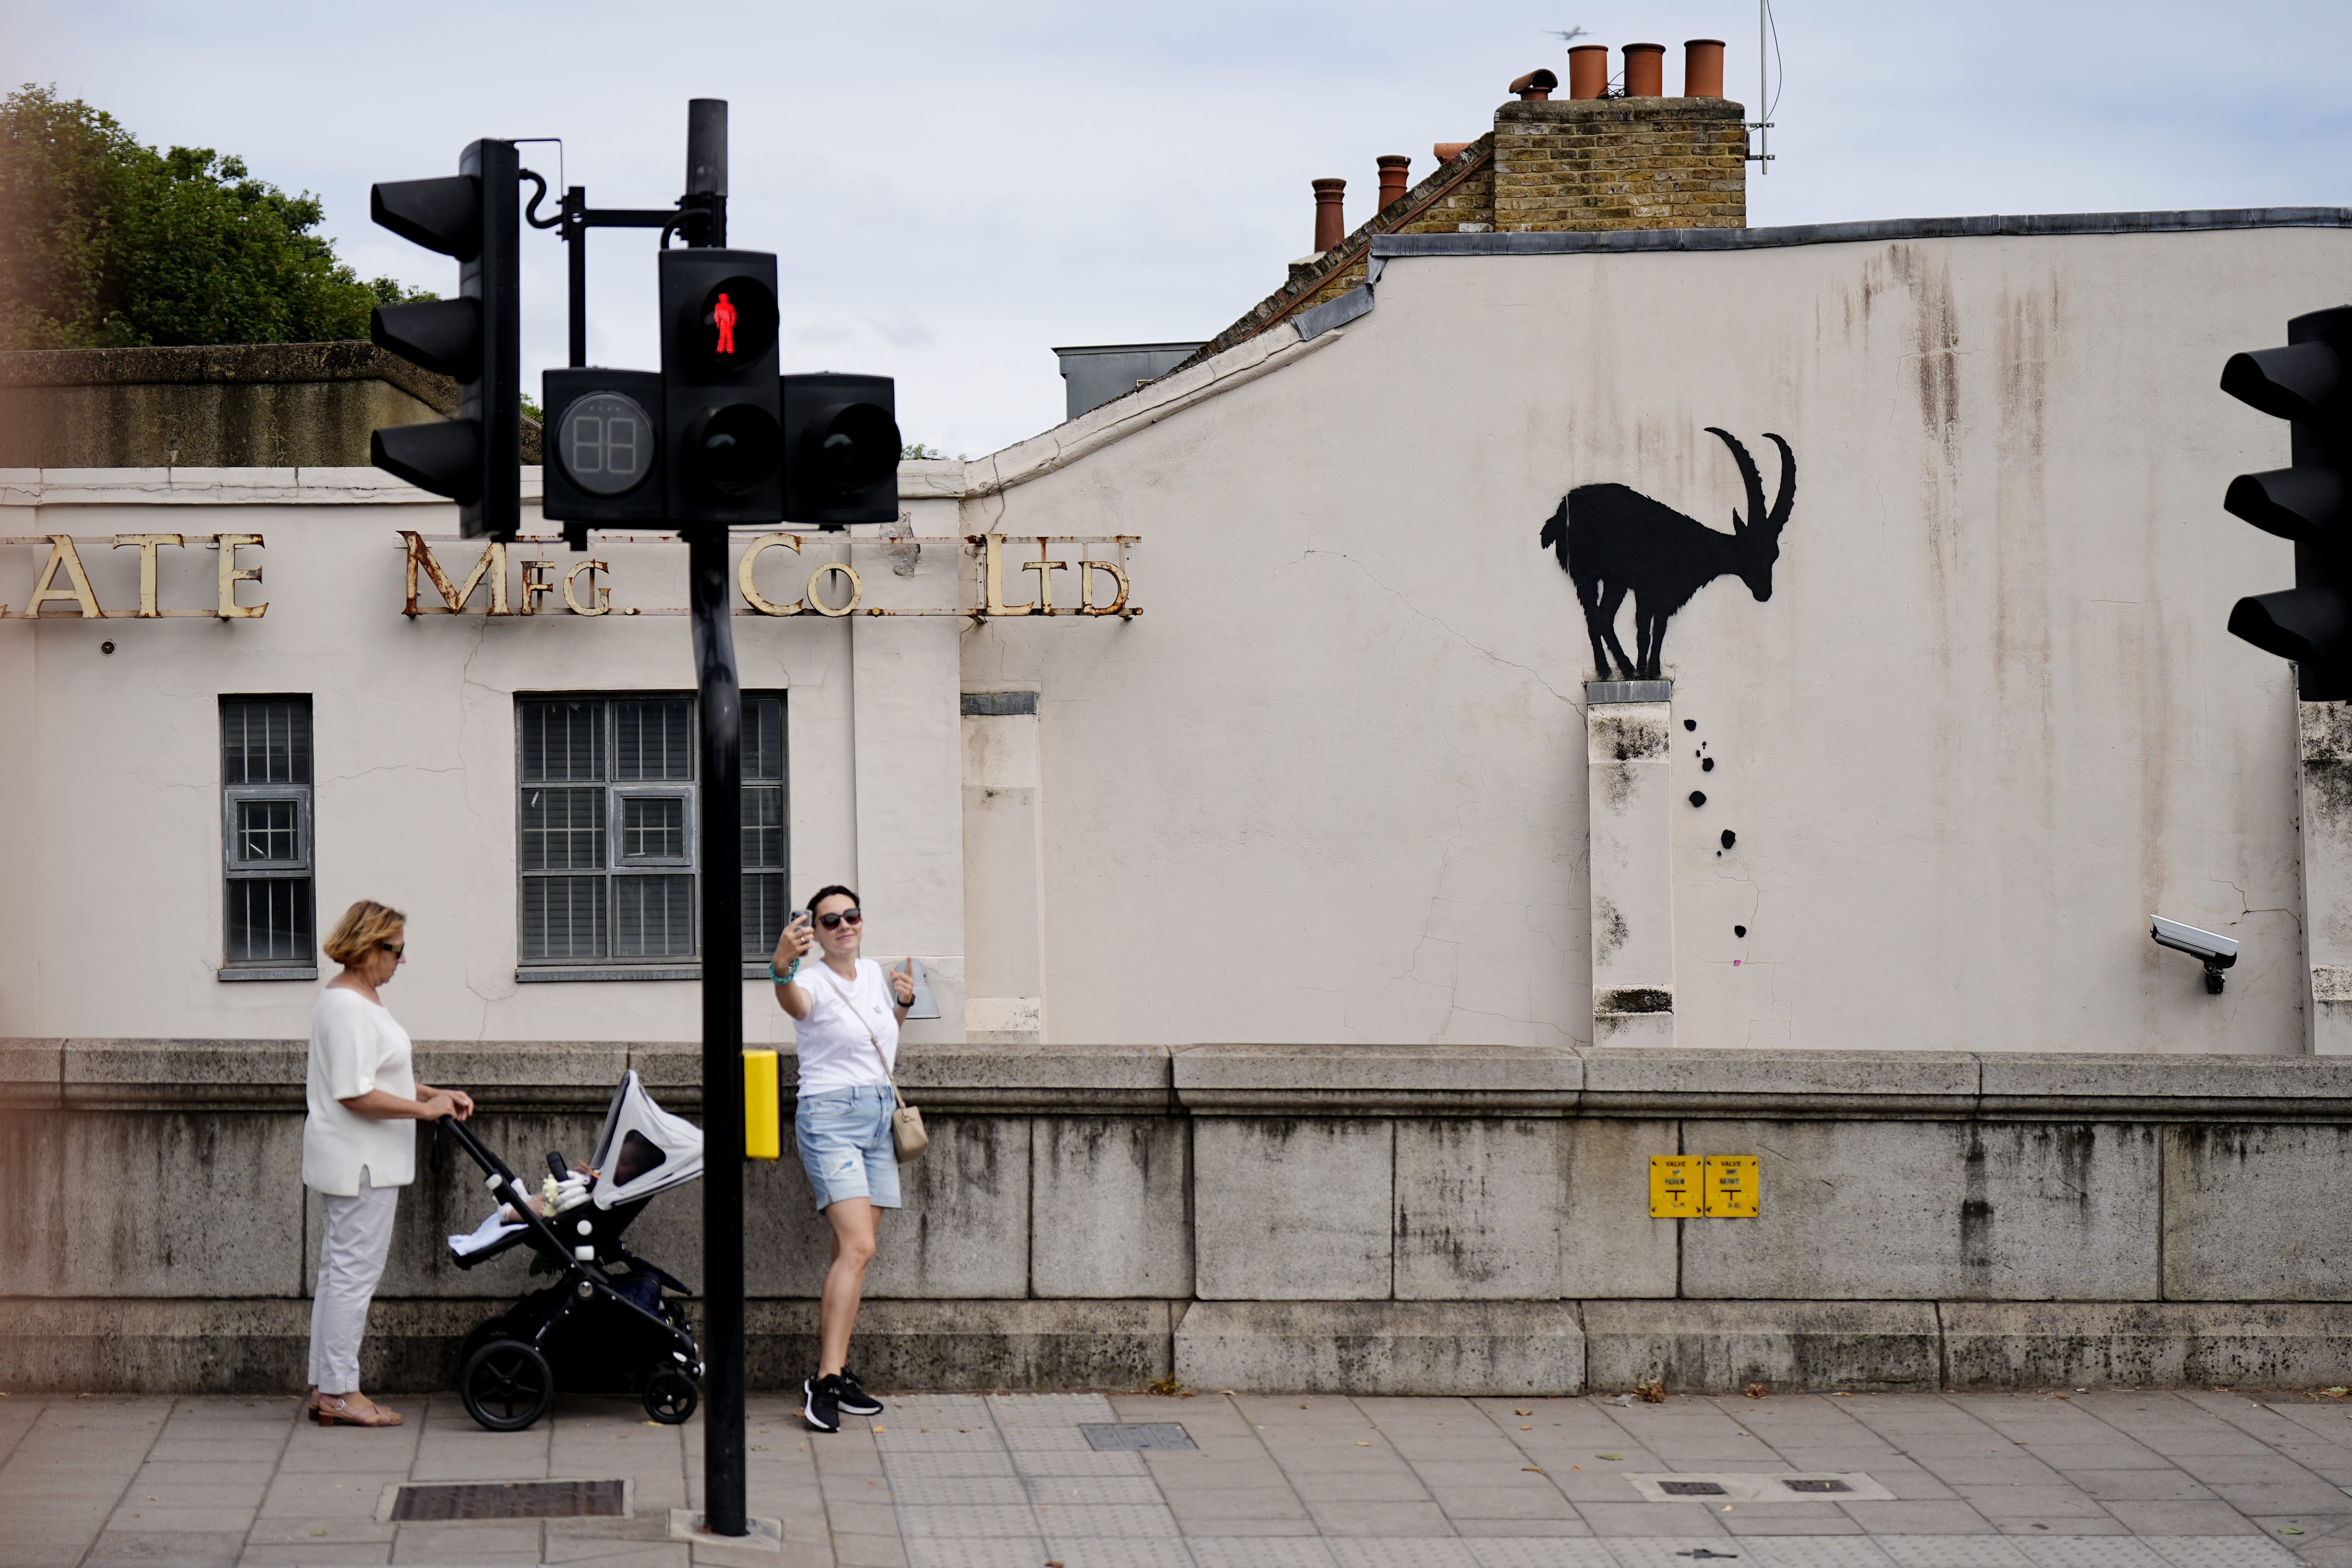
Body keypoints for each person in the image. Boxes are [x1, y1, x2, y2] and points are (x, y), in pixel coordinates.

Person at [301, 900, 474, 1428]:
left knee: (339, 1275)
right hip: (363, 1163)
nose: (401, 961)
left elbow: (379, 1074)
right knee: (353, 1277)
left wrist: (433, 1091)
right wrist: (424, 1109)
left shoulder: (354, 999)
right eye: (396, 951)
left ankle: (327, 1385)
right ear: (369, 946)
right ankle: (339, 1392)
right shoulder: (351, 1006)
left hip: (358, 1160)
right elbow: (356, 1092)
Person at [770, 884, 915, 1433]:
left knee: (852, 1253)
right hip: (830, 1117)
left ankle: (835, 1368)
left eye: (851, 916)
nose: (843, 926)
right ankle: (826, 1380)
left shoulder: (876, 973)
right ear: (817, 931)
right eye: (830, 921)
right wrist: (781, 966)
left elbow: (882, 1037)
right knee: (860, 1244)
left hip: (879, 1117)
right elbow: (794, 1003)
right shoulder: (809, 981)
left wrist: (902, 1004)